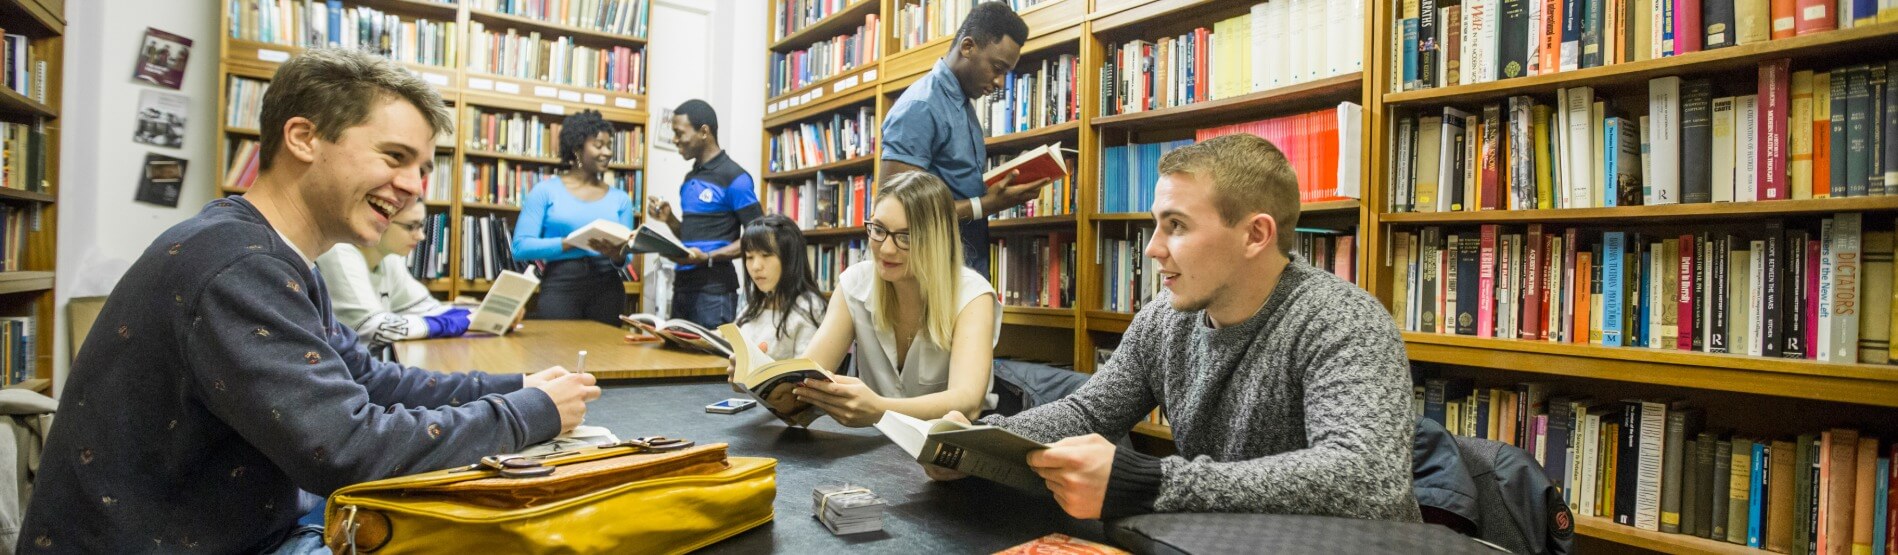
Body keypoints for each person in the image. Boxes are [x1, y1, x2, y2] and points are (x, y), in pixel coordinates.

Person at [16, 48, 600, 554]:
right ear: (302, 137)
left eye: (423, 169)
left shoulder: (270, 254)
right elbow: (347, 447)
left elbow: (369, 379)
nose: (416, 187)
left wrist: (519, 387)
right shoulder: (238, 266)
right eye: (394, 157)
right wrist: (533, 414)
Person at [922, 134, 1420, 524]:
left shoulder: (1343, 320)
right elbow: (1091, 410)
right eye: (1156, 225)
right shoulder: (1166, 316)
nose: (1153, 248)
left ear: (1255, 234)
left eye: (1176, 226)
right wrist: (978, 443)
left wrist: (1150, 481)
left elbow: (1366, 480)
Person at [786, 171, 1001, 428]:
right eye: (878, 230)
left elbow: (968, 401)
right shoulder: (854, 284)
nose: (886, 249)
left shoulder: (972, 294)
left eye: (905, 237)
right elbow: (806, 378)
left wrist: (879, 409)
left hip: (943, 452)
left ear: (937, 240)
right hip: (872, 450)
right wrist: (755, 379)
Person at [880, 2, 1052, 273]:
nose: (998, 82)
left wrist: (1002, 189)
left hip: (963, 269)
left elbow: (953, 187)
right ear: (968, 47)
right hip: (929, 278)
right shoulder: (921, 106)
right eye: (997, 68)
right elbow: (895, 210)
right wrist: (986, 204)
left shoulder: (963, 105)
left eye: (1005, 74)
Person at [511, 109, 636, 325]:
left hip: (608, 287)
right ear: (577, 148)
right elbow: (520, 247)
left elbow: (628, 256)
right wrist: (567, 243)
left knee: (607, 356)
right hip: (561, 284)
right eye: (598, 145)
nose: (607, 152)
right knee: (557, 351)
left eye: (609, 146)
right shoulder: (545, 192)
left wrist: (618, 255)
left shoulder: (621, 199)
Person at [646, 99, 763, 329]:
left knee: (712, 363)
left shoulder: (735, 178)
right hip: (682, 287)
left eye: (679, 133)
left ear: (704, 132)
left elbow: (758, 237)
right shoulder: (690, 178)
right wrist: (669, 220)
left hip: (714, 292)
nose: (675, 139)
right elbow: (692, 241)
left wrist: (709, 257)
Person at [316, 200, 470, 354]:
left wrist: (474, 316)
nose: (421, 236)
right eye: (411, 226)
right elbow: (371, 328)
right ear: (380, 221)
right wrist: (441, 324)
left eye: (421, 226)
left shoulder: (389, 256)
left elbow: (426, 309)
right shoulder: (339, 252)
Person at [734, 214, 826, 361]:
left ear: (789, 258)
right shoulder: (755, 302)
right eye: (749, 257)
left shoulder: (809, 308)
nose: (756, 267)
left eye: (766, 255)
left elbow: (804, 374)